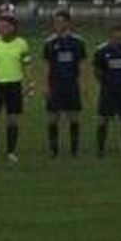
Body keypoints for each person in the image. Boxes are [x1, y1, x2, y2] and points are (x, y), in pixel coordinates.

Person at [0, 15, 31, 163]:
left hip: (14, 85)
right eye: (0, 26)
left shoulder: (22, 44)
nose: (2, 29)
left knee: (13, 120)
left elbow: (27, 64)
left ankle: (11, 152)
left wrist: (30, 82)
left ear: (13, 28)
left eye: (5, 26)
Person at [43, 10, 86, 158]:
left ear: (68, 23)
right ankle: (53, 149)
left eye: (61, 22)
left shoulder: (78, 42)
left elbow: (82, 65)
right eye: (56, 22)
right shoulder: (49, 43)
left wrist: (83, 84)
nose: (58, 25)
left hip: (72, 84)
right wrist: (46, 85)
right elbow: (47, 66)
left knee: (74, 117)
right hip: (55, 84)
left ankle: (74, 149)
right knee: (53, 117)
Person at [92, 25, 121, 157]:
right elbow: (97, 71)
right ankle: (101, 149)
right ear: (110, 36)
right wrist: (105, 83)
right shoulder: (101, 50)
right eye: (116, 37)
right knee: (103, 119)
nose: (119, 38)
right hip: (107, 90)